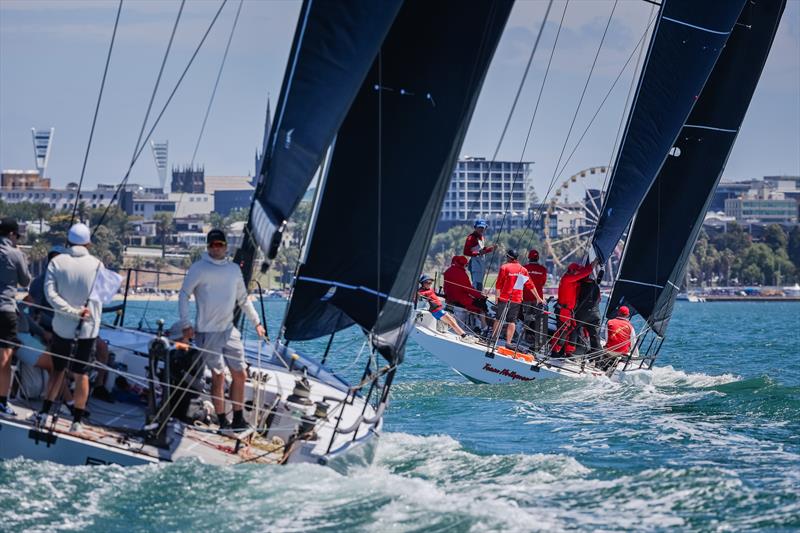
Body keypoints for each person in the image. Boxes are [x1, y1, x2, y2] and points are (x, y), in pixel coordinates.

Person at [180, 229, 266, 432]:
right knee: (218, 375)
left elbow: (243, 299)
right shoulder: (199, 268)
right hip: (207, 332)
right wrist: (186, 324)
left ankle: (238, 419)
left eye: (220, 244)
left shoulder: (234, 269)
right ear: (208, 247)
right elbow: (184, 294)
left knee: (241, 374)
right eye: (212, 245)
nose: (216, 248)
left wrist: (257, 322)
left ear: (226, 246)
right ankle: (222, 420)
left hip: (230, 330)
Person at [34, 223, 102, 432]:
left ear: (68, 241)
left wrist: (70, 311)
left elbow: (50, 295)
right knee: (81, 374)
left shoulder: (57, 262)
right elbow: (102, 296)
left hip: (62, 327)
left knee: (58, 370)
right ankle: (77, 422)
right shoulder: (98, 264)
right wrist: (83, 311)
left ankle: (44, 413)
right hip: (88, 329)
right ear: (88, 242)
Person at [0, 217, 31, 417]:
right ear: (12, 234)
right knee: (5, 357)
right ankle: (2, 402)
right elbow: (25, 280)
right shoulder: (14, 253)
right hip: (5, 308)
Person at [551, 259, 598, 356]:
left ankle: (568, 351)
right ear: (572, 271)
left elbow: (581, 278)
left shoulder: (570, 279)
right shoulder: (567, 279)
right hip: (564, 310)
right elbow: (584, 274)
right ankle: (555, 351)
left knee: (572, 329)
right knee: (563, 331)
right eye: (577, 271)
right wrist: (593, 264)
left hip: (568, 311)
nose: (578, 273)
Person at [490, 249, 535, 346]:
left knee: (498, 319)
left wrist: (497, 299)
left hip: (504, 297)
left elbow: (498, 285)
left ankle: (493, 339)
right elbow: (530, 285)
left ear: (509, 257)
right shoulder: (523, 270)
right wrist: (539, 298)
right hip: (517, 299)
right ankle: (508, 343)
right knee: (512, 321)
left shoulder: (504, 267)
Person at [418, 274, 472, 341]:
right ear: (422, 283)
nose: (429, 284)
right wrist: (418, 295)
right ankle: (464, 336)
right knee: (452, 322)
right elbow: (417, 296)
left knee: (453, 320)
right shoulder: (421, 292)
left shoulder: (429, 289)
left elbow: (433, 294)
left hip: (439, 310)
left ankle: (462, 335)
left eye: (430, 282)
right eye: (427, 282)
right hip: (437, 311)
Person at [443, 255, 487, 329]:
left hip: (449, 298)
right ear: (463, 264)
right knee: (482, 306)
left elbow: (446, 287)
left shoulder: (447, 271)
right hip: (461, 300)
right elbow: (468, 289)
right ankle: (483, 327)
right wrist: (480, 295)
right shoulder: (462, 274)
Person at [522, 249, 548, 350]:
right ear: (538, 258)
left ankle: (525, 336)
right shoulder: (543, 269)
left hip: (526, 296)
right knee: (538, 318)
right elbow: (543, 283)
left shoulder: (524, 268)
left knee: (527, 317)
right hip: (539, 298)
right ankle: (536, 339)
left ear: (529, 257)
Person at [574, 269, 603, 355]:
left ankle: (572, 351)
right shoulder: (596, 286)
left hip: (582, 314)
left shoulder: (580, 285)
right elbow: (599, 299)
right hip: (595, 314)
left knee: (574, 330)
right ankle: (597, 359)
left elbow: (576, 299)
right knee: (595, 336)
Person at [463, 219, 494, 291]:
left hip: (481, 263)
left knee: (480, 283)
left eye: (483, 228)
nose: (481, 229)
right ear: (475, 227)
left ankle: (478, 296)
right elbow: (466, 252)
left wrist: (490, 249)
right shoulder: (471, 238)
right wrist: (478, 253)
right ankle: (475, 298)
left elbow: (482, 251)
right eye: (479, 227)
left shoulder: (482, 237)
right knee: (476, 283)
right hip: (475, 263)